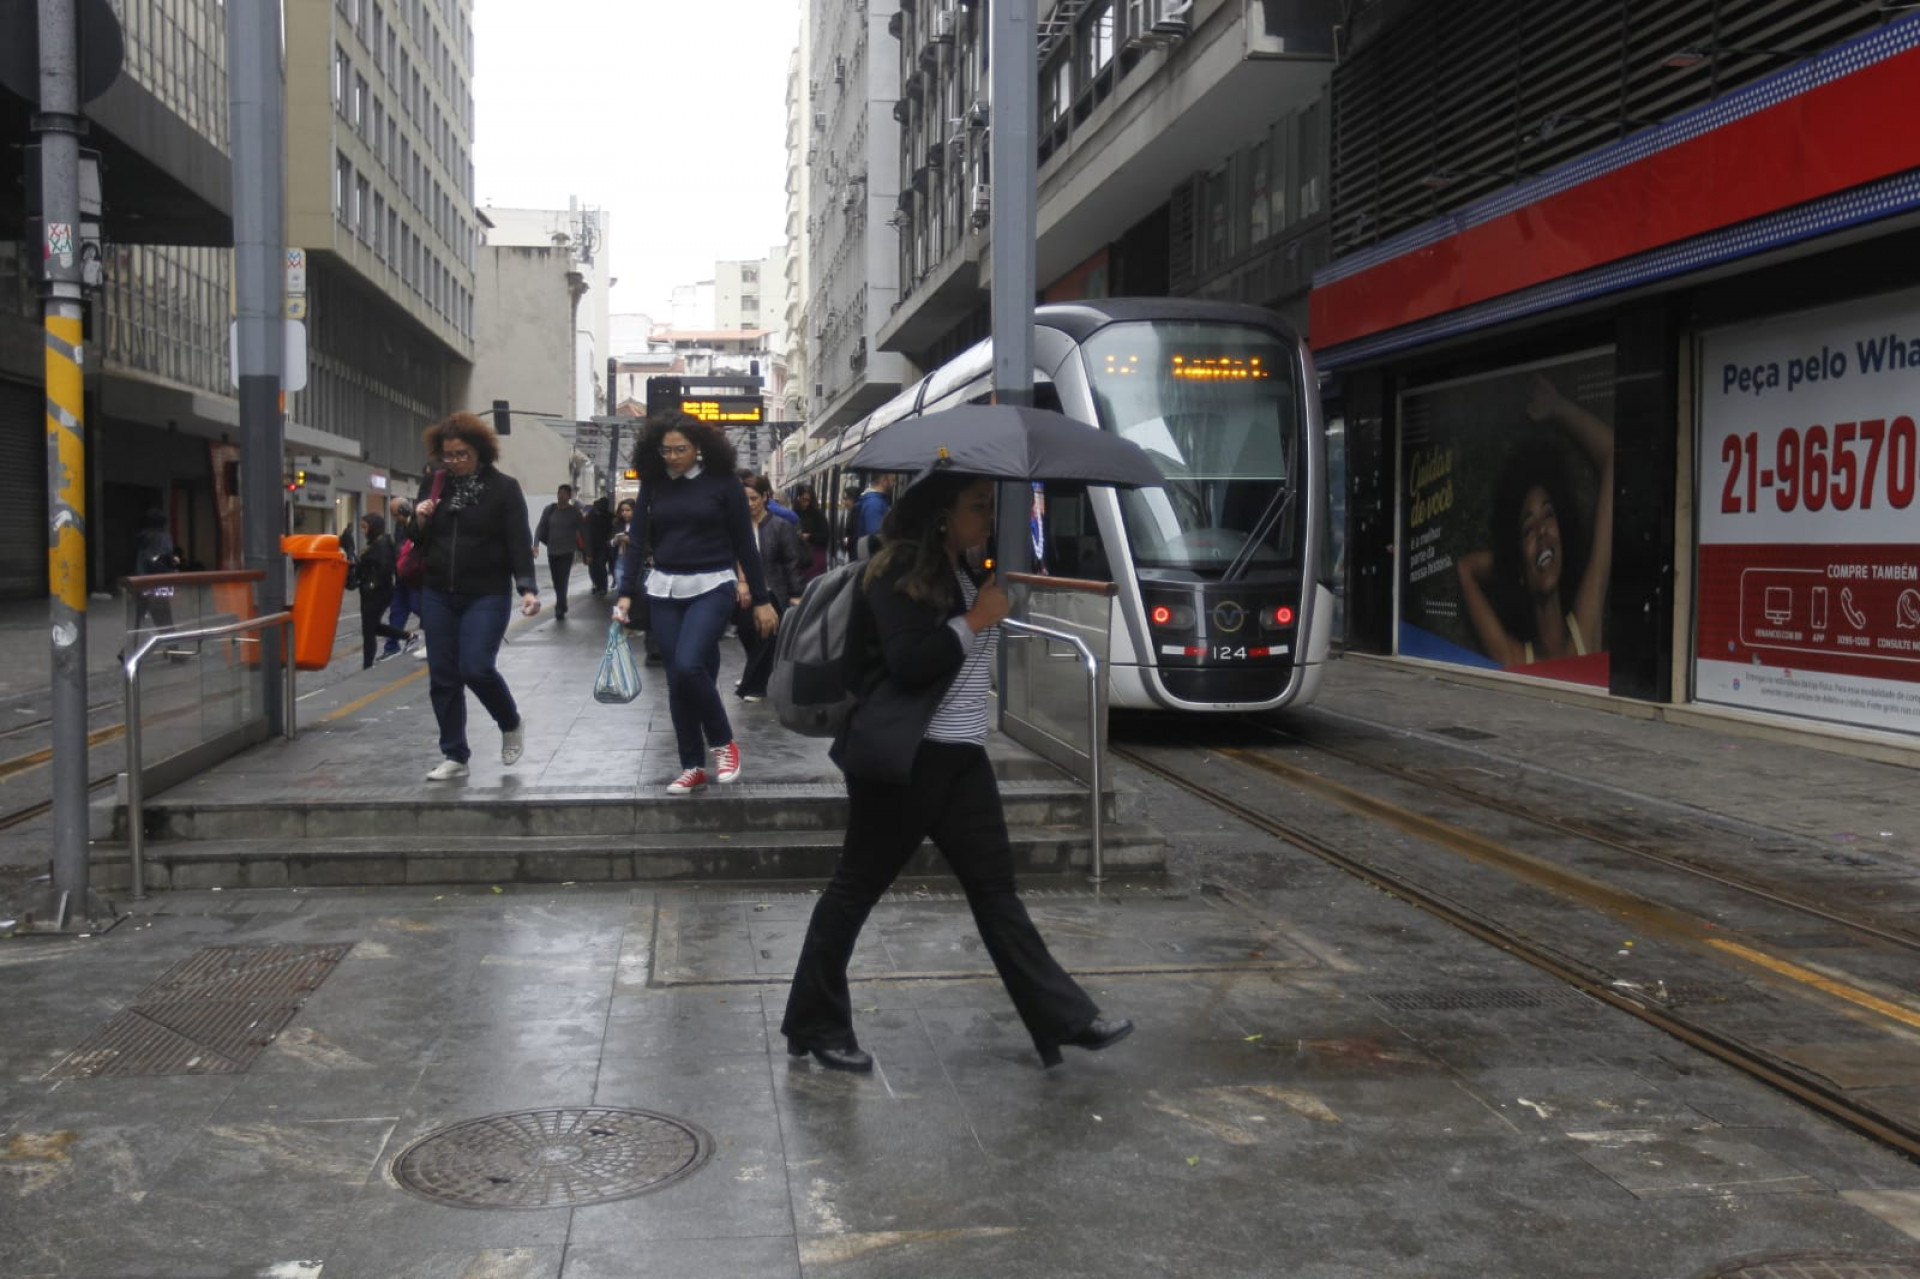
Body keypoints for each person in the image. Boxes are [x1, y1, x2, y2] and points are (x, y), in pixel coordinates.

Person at [780, 472, 1132, 1073]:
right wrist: (976, 619)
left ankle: (1061, 1019)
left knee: (996, 892)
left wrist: (981, 607)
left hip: (960, 755)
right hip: (906, 761)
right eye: (977, 506)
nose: (987, 517)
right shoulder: (894, 573)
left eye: (989, 506)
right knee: (855, 890)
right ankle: (814, 1023)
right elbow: (909, 663)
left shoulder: (961, 571)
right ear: (942, 514)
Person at [611, 412, 776, 795]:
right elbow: (637, 542)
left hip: (713, 585)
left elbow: (743, 544)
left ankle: (723, 742)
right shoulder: (654, 483)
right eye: (665, 450)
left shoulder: (724, 484)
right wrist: (624, 593)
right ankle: (692, 766)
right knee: (677, 680)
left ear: (699, 448)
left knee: (687, 665)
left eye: (680, 449)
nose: (672, 456)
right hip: (664, 587)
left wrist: (761, 599)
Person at [408, 412, 541, 781]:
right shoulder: (435, 485)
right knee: (443, 676)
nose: (453, 462)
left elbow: (518, 541)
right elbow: (416, 541)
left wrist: (527, 589)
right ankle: (455, 754)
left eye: (461, 454)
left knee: (476, 667)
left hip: (487, 593)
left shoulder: (504, 488)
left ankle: (510, 721)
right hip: (437, 591)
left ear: (479, 451)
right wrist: (418, 518)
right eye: (447, 455)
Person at [1457, 375, 1615, 668]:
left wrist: (1558, 409)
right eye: (1528, 528)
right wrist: (1513, 562)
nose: (1542, 530)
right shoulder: (1515, 658)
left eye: (1549, 515)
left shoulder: (1585, 628)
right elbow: (1465, 569)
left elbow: (1614, 459)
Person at [733, 473, 806, 702]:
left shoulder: (780, 526)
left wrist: (795, 594)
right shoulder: (735, 526)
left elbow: (791, 562)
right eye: (744, 499)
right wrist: (740, 582)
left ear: (765, 497)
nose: (750, 504)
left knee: (766, 636)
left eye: (754, 498)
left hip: (773, 591)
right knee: (747, 632)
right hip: (743, 592)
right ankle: (759, 675)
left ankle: (753, 686)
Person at [352, 513, 416, 668]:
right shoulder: (377, 544)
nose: (363, 531)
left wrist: (371, 584)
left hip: (376, 593)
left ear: (374, 527)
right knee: (372, 627)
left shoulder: (381, 545)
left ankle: (367, 666)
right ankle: (408, 636)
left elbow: (384, 569)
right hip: (373, 591)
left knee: (369, 630)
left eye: (365, 527)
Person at [534, 483, 586, 620]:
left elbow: (584, 531)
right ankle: (562, 603)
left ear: (569, 496)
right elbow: (540, 527)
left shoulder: (574, 513)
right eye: (559, 493)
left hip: (567, 551)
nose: (561, 496)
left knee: (563, 578)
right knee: (556, 580)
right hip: (552, 550)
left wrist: (587, 551)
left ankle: (560, 606)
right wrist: (535, 545)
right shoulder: (550, 510)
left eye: (564, 493)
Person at [384, 495, 420, 659]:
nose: (395, 518)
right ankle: (392, 646)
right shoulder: (400, 526)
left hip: (414, 577)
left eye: (396, 514)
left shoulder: (417, 524)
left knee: (418, 606)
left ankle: (438, 639)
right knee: (397, 610)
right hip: (401, 577)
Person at [131, 509, 179, 633]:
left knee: (137, 623)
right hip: (159, 584)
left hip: (142, 583)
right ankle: (173, 648)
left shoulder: (143, 537)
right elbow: (163, 558)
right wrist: (173, 563)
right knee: (165, 621)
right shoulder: (163, 538)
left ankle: (129, 649)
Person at [792, 484, 829, 581]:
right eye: (802, 499)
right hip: (799, 557)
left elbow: (825, 536)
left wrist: (809, 536)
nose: (805, 503)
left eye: (807, 500)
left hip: (815, 557)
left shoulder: (817, 515)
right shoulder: (793, 513)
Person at [586, 495, 614, 597]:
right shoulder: (605, 515)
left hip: (599, 546)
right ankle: (600, 586)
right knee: (598, 567)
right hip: (599, 546)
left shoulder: (593, 515)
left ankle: (599, 586)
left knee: (596, 567)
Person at [854, 472, 895, 543]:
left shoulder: (875, 500)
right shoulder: (874, 503)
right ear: (884, 480)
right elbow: (875, 536)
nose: (894, 484)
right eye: (893, 480)